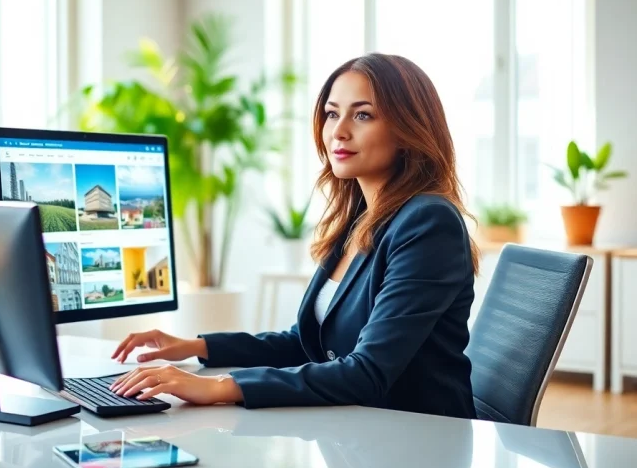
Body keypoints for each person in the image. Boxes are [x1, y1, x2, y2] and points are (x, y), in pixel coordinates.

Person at [110, 53, 480, 419]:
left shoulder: (428, 222)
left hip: (419, 438)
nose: (339, 130)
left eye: (363, 114)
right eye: (332, 113)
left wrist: (220, 386)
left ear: (407, 131)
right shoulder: (359, 219)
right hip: (357, 430)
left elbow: (367, 373)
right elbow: (307, 343)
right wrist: (195, 347)